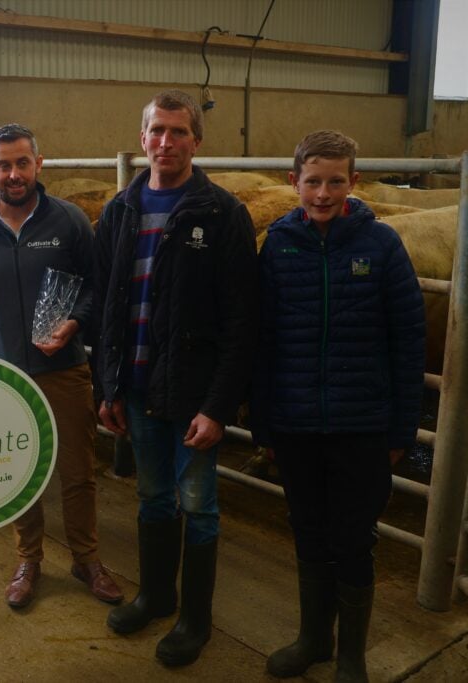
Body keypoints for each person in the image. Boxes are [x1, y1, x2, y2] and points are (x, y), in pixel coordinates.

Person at [250, 130, 425, 682]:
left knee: (353, 537)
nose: (322, 193)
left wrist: (401, 427)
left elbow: (409, 338)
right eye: (312, 181)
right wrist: (263, 420)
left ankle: (352, 653)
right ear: (293, 183)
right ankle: (312, 640)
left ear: (353, 182)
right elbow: (264, 337)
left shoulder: (381, 246)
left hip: (362, 424)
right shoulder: (278, 245)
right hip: (297, 421)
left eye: (334, 182)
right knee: (308, 529)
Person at [92, 89, 259, 667]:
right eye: (156, 131)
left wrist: (219, 405)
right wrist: (107, 387)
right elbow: (110, 306)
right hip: (137, 388)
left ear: (196, 140)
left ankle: (195, 618)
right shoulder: (120, 212)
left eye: (178, 132)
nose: (166, 142)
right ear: (142, 140)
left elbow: (242, 320)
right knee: (152, 497)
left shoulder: (222, 214)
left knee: (199, 504)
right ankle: (156, 595)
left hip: (193, 394)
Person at [0, 123, 122, 609]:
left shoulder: (70, 221)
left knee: (77, 470)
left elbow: (99, 287)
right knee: (16, 470)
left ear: (39, 165)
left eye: (22, 163)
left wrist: (75, 324)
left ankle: (87, 558)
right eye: (3, 165)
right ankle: (28, 559)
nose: (14, 174)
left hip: (65, 369)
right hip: (3, 376)